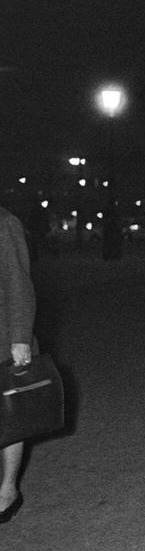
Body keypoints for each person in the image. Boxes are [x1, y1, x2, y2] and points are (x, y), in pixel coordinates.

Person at [1, 205, 36, 523]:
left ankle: (7, 487)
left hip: (1, 338)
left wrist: (21, 338)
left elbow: (18, 283)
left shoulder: (5, 223)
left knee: (8, 416)